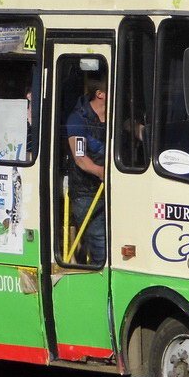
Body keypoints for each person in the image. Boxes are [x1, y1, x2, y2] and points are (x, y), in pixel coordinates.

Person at [65, 78, 107, 264]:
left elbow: (134, 128)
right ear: (100, 94)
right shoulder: (78, 119)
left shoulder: (116, 116)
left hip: (111, 191)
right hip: (87, 193)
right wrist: (103, 172)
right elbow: (81, 159)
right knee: (101, 245)